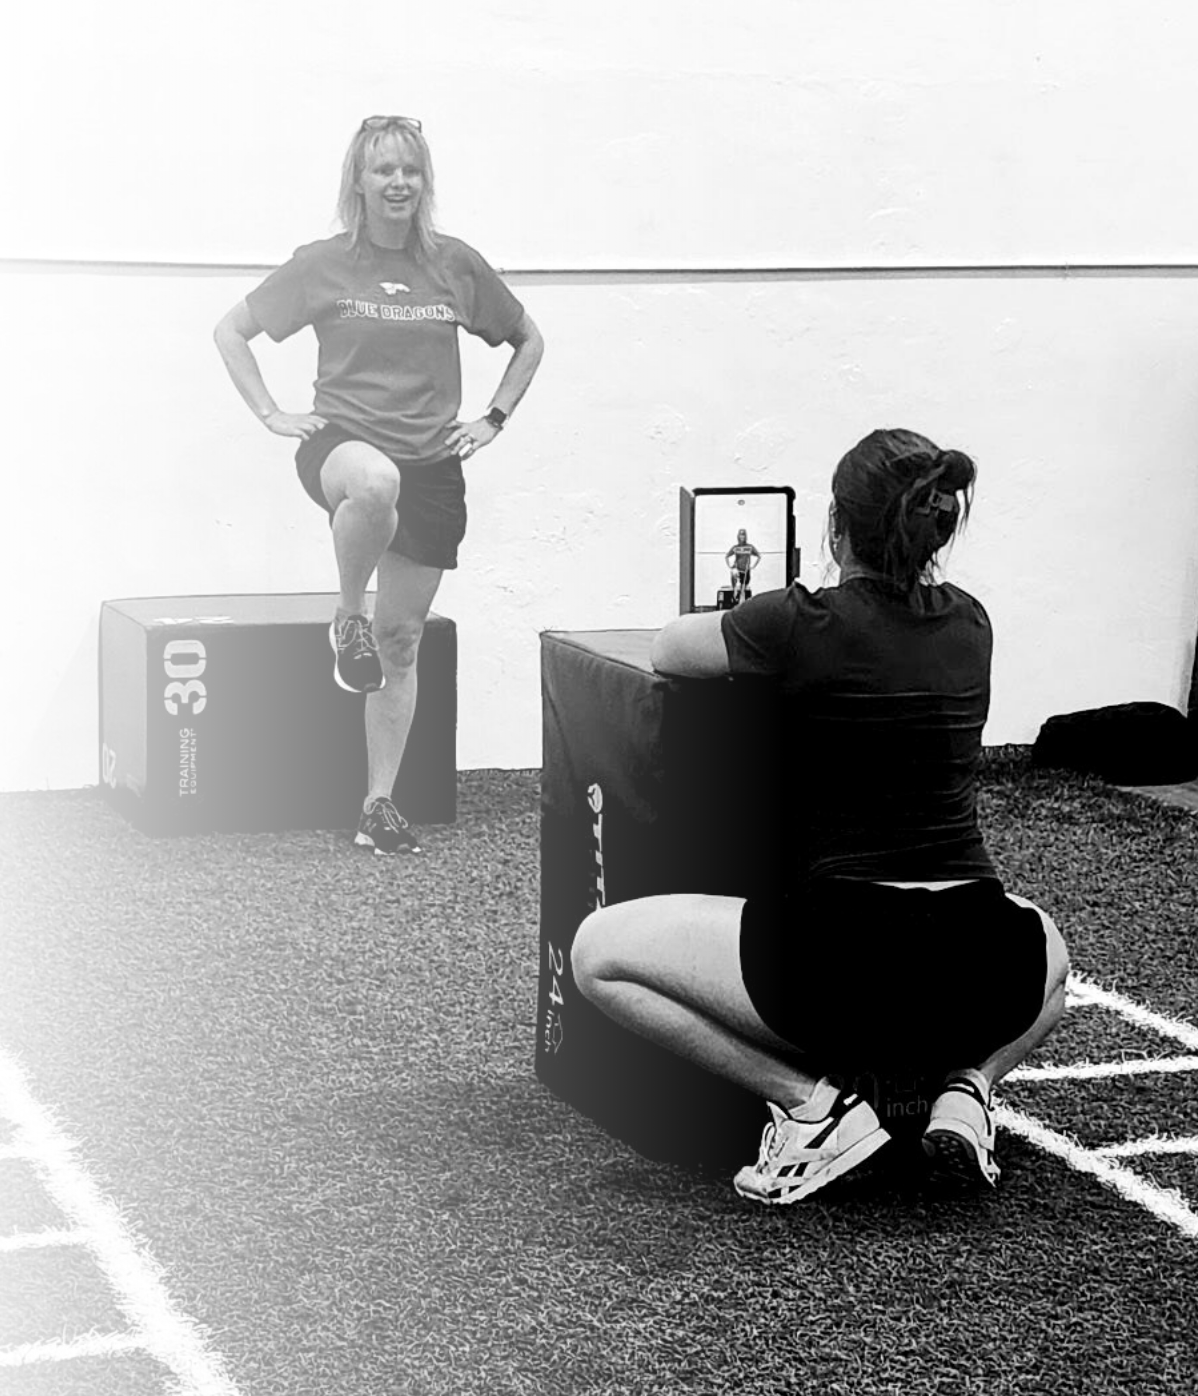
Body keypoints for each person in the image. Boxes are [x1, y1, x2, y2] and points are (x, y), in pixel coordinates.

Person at [570, 426, 1069, 1206]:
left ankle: (813, 1105)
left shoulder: (799, 623)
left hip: (841, 970)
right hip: (980, 967)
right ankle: (967, 1090)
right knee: (1051, 953)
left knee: (597, 952)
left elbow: (671, 648)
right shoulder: (973, 624)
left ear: (838, 529)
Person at [213, 115, 544, 855]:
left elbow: (530, 340)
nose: (398, 184)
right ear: (357, 182)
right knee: (375, 482)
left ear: (424, 183)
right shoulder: (323, 264)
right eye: (383, 171)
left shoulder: (456, 266)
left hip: (434, 466)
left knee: (401, 642)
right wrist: (270, 412)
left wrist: (494, 416)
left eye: (411, 172)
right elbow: (230, 331)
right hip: (343, 447)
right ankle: (345, 616)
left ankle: (378, 805)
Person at [725, 527, 761, 603]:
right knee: (734, 573)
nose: (742, 537)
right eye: (741, 535)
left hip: (746, 570)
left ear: (746, 537)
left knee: (743, 586)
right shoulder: (736, 547)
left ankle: (741, 599)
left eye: (743, 535)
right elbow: (727, 556)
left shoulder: (750, 547)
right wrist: (730, 566)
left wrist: (753, 566)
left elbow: (758, 556)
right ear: (738, 537)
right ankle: (734, 592)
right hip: (737, 569)